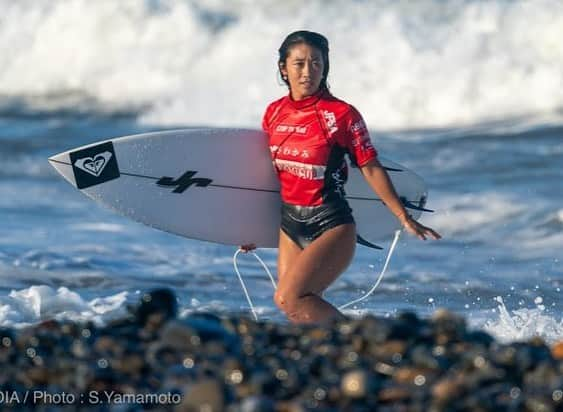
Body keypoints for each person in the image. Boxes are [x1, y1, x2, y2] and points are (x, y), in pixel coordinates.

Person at [241, 30, 440, 324]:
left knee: (289, 297)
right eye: (299, 64)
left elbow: (370, 167)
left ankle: (357, 339)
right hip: (289, 224)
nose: (308, 71)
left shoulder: (341, 115)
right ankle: (328, 358)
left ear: (325, 67)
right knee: (299, 305)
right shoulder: (274, 113)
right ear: (284, 68)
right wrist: (245, 230)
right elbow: (273, 179)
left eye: (316, 63)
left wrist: (403, 216)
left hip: (330, 223)